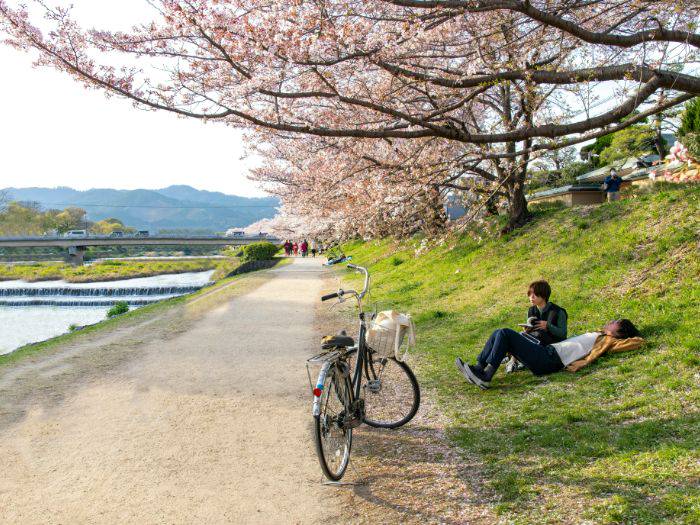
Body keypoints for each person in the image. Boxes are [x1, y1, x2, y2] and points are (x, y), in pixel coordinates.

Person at [455, 319, 643, 389]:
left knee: (505, 333)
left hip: (550, 360)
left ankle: (487, 375)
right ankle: (479, 368)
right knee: (499, 332)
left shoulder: (609, 340)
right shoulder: (600, 334)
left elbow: (637, 342)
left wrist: (587, 361)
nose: (610, 321)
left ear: (618, 330)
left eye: (615, 322)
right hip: (547, 353)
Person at [505, 280, 567, 372]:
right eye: (529, 294)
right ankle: (513, 359)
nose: (531, 297)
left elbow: (563, 334)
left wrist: (548, 326)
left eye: (535, 294)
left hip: (551, 347)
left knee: (528, 337)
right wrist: (527, 329)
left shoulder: (558, 312)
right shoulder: (531, 310)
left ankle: (513, 360)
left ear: (544, 295)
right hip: (535, 342)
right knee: (520, 335)